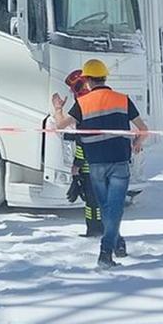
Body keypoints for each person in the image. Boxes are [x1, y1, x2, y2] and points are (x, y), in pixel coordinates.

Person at [50, 58, 149, 269]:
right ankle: (113, 246)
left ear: (87, 80)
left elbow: (59, 126)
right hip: (120, 162)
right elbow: (144, 129)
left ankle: (111, 248)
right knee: (113, 208)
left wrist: (58, 108)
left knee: (107, 207)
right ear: (105, 77)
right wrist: (137, 143)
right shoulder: (123, 99)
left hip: (96, 164)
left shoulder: (82, 103)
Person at [62, 69, 103, 238]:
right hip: (101, 160)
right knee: (93, 201)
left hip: (90, 163)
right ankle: (95, 229)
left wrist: (77, 164)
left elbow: (83, 139)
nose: (72, 93)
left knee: (93, 201)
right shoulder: (96, 101)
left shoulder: (83, 104)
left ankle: (96, 230)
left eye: (73, 89)